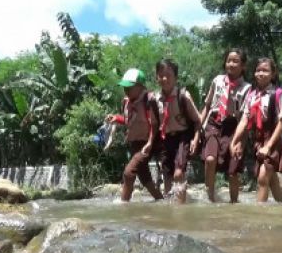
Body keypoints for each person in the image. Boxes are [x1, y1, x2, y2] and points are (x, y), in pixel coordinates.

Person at [231, 57, 282, 203]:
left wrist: (268, 146)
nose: (261, 73)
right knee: (271, 179)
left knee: (262, 177)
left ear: (273, 74)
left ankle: (258, 217)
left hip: (273, 141)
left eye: (265, 70)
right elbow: (245, 120)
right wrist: (235, 142)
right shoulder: (251, 95)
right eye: (258, 70)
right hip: (258, 141)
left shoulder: (278, 94)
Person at [200, 48, 251, 202]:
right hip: (213, 123)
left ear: (243, 66)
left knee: (232, 170)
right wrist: (198, 129)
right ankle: (210, 199)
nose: (231, 64)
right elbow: (207, 106)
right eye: (229, 60)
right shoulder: (217, 81)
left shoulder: (247, 89)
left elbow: (245, 118)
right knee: (210, 160)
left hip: (234, 127)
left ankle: (234, 203)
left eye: (236, 61)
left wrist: (241, 142)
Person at [106, 68, 163, 202]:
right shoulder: (125, 102)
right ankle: (160, 200)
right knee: (144, 177)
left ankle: (123, 204)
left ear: (140, 86)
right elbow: (128, 121)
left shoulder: (149, 100)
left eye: (129, 87)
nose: (126, 90)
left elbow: (154, 124)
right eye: (124, 87)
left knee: (128, 173)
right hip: (134, 143)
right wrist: (117, 118)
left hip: (147, 143)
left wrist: (150, 143)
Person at [155, 59, 201, 203]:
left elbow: (197, 120)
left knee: (178, 172)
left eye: (168, 75)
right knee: (167, 175)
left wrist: (195, 139)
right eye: (161, 75)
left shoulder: (183, 96)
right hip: (165, 139)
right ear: (156, 77)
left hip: (183, 137)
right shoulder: (155, 99)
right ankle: (171, 209)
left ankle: (180, 207)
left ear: (175, 77)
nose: (164, 79)